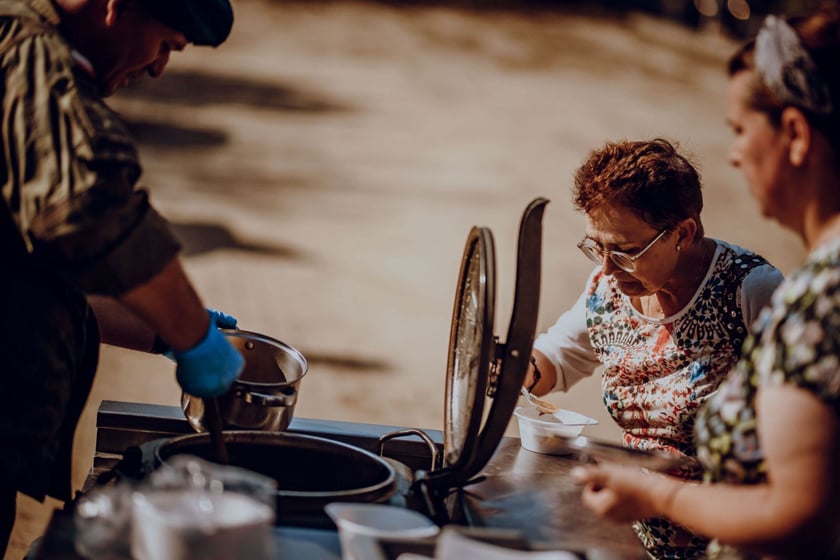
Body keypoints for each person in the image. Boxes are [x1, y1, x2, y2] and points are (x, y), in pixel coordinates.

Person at [571, 5, 840, 559]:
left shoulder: (815, 297)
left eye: (740, 130)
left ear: (794, 134)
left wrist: (656, 494)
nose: (734, 156)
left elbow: (799, 517)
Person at [0, 0, 247, 555]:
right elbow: (91, 210)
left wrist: (161, 330)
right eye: (165, 45)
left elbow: (41, 270)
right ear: (118, 7)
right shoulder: (30, 61)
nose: (158, 68)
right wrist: (192, 335)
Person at [523, 138, 783, 558]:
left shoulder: (749, 292)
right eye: (596, 247)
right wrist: (511, 369)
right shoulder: (608, 287)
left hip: (732, 538)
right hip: (636, 528)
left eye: (626, 251)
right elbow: (557, 358)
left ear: (683, 233)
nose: (607, 268)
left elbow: (803, 445)